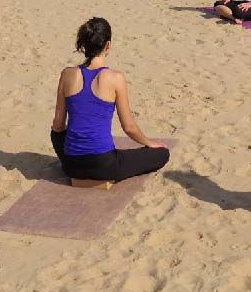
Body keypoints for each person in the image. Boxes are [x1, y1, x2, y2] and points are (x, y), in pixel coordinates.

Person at [50, 17, 169, 181]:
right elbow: (128, 127)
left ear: (83, 44)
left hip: (71, 166)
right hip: (103, 165)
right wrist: (149, 142)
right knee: (162, 154)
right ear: (108, 45)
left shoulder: (67, 74)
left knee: (58, 133)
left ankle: (73, 158)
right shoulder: (115, 78)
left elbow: (58, 124)